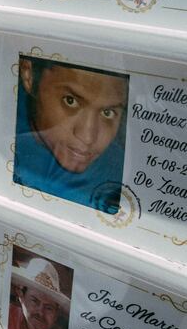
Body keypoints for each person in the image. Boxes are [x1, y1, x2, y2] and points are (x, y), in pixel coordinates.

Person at [14, 56, 128, 213]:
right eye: (70, 101)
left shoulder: (119, 174)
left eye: (107, 113)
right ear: (29, 75)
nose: (87, 137)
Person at [7, 257, 70, 329]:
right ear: (21, 296)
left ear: (57, 312)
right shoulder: (1, 317)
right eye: (35, 301)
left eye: (49, 308)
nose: (40, 313)